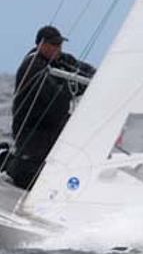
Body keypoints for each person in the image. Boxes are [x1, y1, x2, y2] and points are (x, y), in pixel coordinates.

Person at [6, 25, 95, 189]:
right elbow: (57, 97)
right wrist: (75, 86)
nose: (58, 48)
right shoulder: (32, 65)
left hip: (54, 128)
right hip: (33, 131)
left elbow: (89, 72)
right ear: (41, 44)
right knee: (29, 178)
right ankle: (9, 161)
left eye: (59, 44)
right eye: (53, 44)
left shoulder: (62, 59)